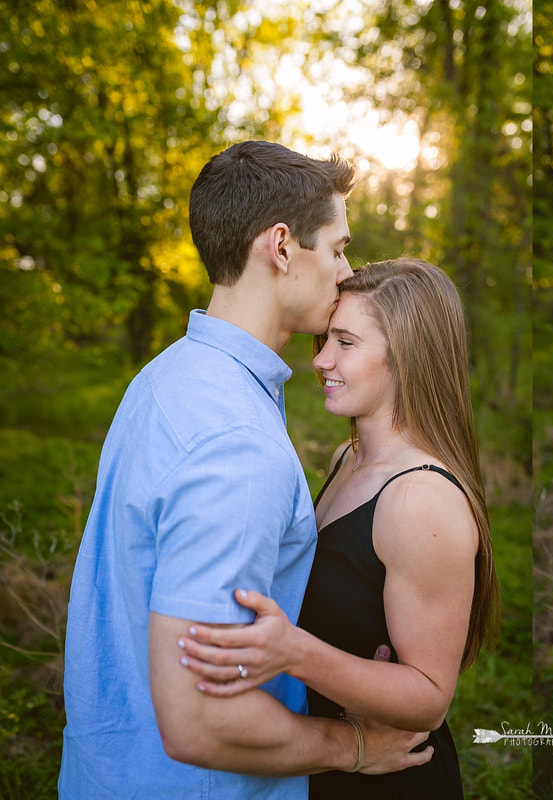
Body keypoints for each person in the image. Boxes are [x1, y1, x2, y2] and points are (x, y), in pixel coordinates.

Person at [60, 142, 431, 799]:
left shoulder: (168, 376)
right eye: (338, 248)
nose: (346, 272)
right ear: (282, 247)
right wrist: (356, 746)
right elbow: (202, 719)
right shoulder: (237, 445)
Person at [171, 257, 500, 798]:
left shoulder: (421, 499)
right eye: (325, 339)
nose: (321, 359)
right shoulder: (346, 459)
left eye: (346, 343)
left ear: (407, 356)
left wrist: (292, 652)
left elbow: (431, 695)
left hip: (392, 777)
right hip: (330, 759)